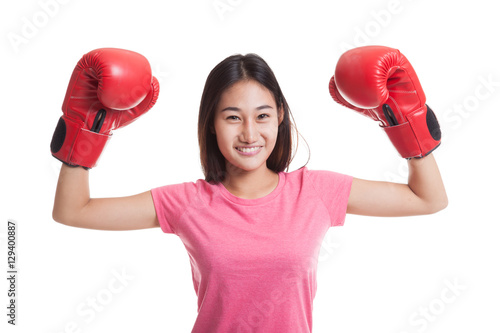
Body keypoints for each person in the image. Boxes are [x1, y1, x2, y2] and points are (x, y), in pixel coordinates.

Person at [51, 46, 448, 332]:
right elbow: (73, 210)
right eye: (232, 117)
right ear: (211, 123)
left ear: (279, 116)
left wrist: (406, 126)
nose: (249, 134)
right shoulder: (186, 202)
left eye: (262, 116)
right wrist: (85, 134)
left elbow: (427, 199)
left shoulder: (315, 192)